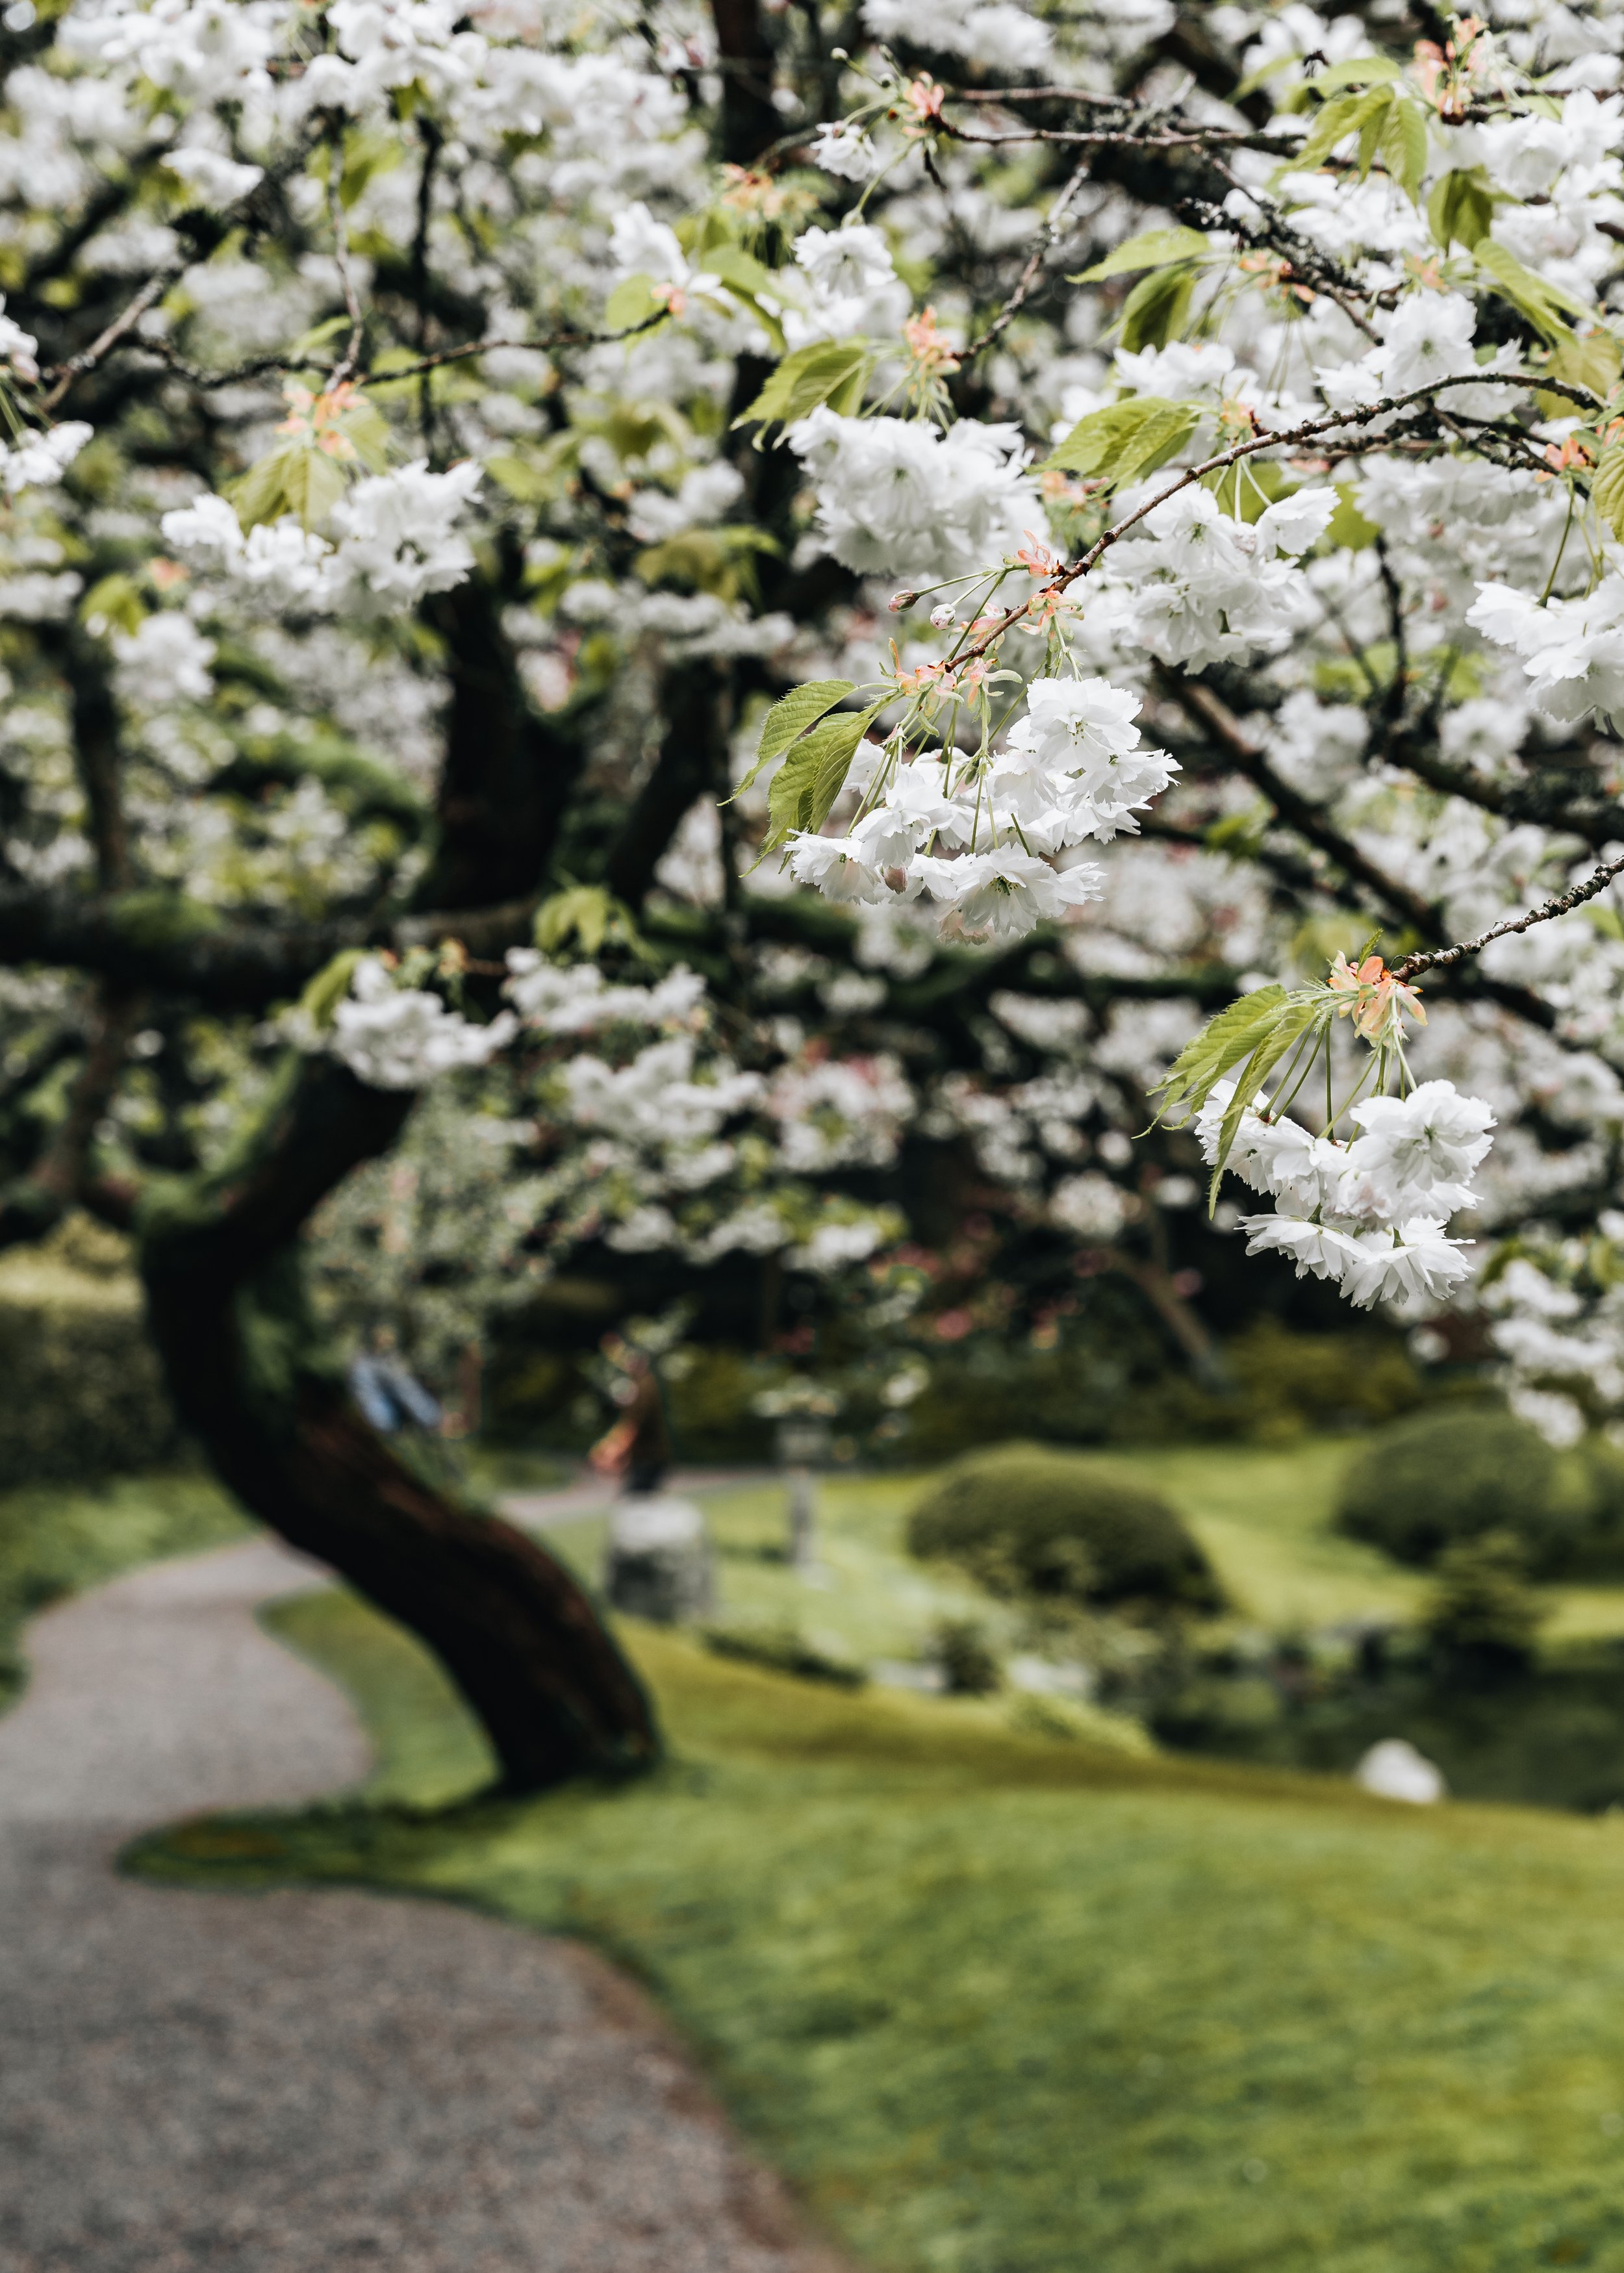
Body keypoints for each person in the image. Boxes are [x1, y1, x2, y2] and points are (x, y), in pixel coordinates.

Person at [589, 1347, 672, 1493]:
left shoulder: (644, 1388)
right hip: (645, 1456)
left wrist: (613, 1452)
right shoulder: (640, 1385)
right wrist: (609, 1445)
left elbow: (634, 1426)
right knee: (639, 1498)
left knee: (636, 1498)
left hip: (648, 1457)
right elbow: (628, 1423)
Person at [348, 1327, 443, 1436]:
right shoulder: (366, 1366)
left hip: (389, 1418)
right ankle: (433, 1419)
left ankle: (432, 1419)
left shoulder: (366, 1365)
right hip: (389, 1418)